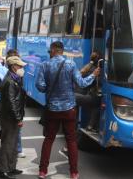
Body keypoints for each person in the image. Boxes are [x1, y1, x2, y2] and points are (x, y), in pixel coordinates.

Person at [36, 41, 100, 179]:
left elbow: (40, 86)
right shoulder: (70, 64)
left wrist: (50, 89)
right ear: (62, 51)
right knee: (71, 140)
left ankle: (42, 171)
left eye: (50, 51)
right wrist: (94, 74)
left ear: (53, 50)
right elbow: (82, 83)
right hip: (69, 109)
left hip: (52, 109)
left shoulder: (45, 65)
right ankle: (74, 172)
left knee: (49, 139)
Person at [0, 56, 26, 179]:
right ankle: (2, 170)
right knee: (8, 143)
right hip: (9, 117)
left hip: (12, 115)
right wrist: (18, 119)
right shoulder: (9, 81)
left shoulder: (15, 78)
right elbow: (11, 102)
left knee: (13, 143)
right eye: (20, 66)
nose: (22, 68)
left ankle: (11, 167)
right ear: (13, 67)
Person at [76, 51, 102, 132]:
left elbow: (81, 75)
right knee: (98, 104)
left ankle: (88, 125)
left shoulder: (88, 68)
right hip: (87, 96)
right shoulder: (95, 70)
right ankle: (91, 125)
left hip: (83, 95)